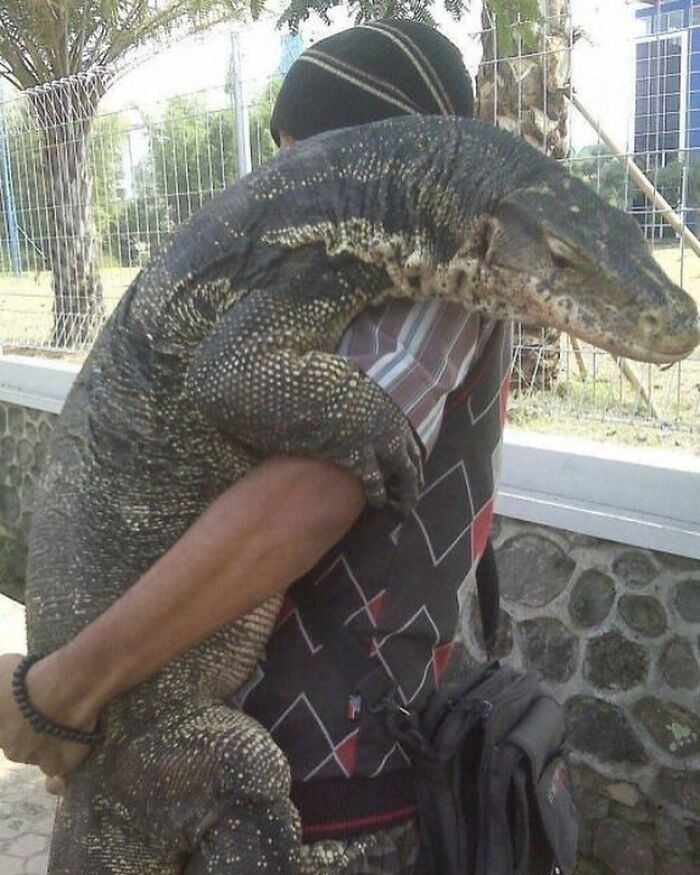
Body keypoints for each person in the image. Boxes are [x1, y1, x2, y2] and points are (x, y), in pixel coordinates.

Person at [0, 19, 511, 875]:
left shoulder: (436, 283)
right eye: (280, 161)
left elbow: (298, 504)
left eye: (309, 159)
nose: (286, 190)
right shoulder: (308, 280)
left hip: (331, 784)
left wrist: (62, 688)